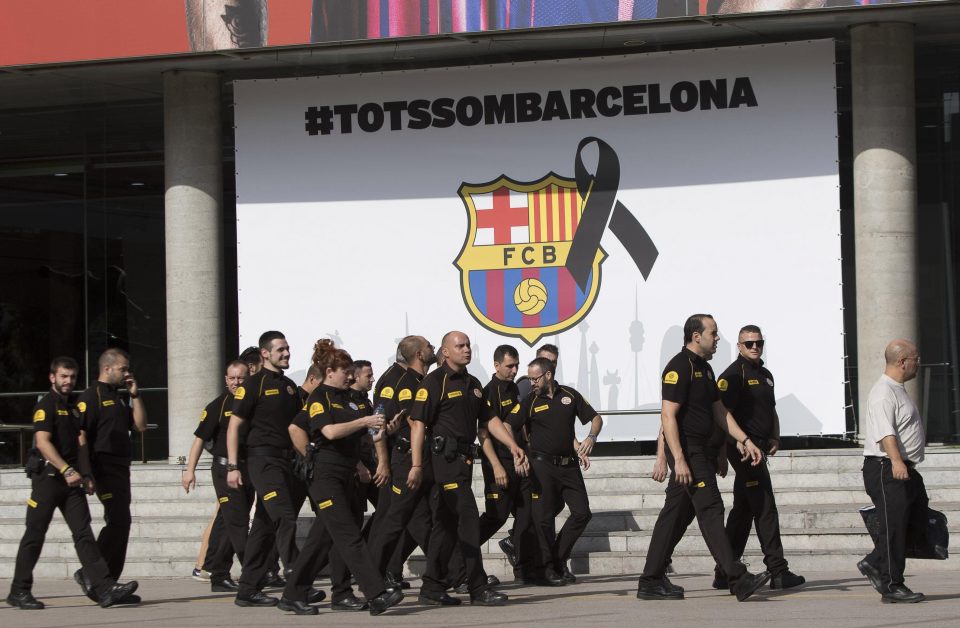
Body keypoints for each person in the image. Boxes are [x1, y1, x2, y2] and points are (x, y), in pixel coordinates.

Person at [636, 314, 769, 602]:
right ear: (697, 336)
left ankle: (651, 579)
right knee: (711, 508)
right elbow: (668, 416)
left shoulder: (705, 370)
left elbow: (720, 412)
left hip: (703, 451)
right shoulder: (678, 367)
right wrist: (678, 459)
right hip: (689, 450)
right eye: (714, 333)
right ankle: (737, 577)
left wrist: (743, 439)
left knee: (676, 516)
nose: (717, 338)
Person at [280, 339, 403, 616]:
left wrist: (385, 432)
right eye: (344, 370)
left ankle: (292, 594)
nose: (349, 375)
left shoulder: (350, 399)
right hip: (325, 475)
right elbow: (329, 433)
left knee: (321, 540)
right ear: (329, 371)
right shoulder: (318, 398)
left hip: (347, 473)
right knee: (349, 536)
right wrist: (307, 456)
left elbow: (369, 436)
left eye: (350, 370)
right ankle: (377, 593)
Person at [6, 357, 139, 610]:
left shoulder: (73, 408)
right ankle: (19, 590)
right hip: (48, 480)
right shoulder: (45, 406)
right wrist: (66, 469)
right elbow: (43, 443)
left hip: (72, 482)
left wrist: (86, 474)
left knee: (84, 534)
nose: (68, 381)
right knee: (34, 535)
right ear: (52, 377)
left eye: (72, 377)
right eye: (63, 376)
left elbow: (80, 442)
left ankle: (104, 588)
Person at [408, 331, 525, 606]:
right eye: (459, 346)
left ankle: (432, 587)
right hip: (444, 463)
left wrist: (511, 445)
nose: (466, 349)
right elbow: (418, 424)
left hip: (464, 461)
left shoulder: (473, 384)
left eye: (468, 345)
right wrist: (415, 465)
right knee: (469, 519)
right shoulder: (434, 381)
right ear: (445, 352)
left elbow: (489, 420)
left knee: (444, 527)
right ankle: (477, 587)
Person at [227, 331, 320, 607]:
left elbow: (296, 427)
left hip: (285, 462)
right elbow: (234, 426)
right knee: (285, 516)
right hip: (262, 461)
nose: (287, 353)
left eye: (288, 348)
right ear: (265, 353)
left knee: (264, 528)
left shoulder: (290, 387)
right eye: (281, 349)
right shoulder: (252, 385)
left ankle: (247, 590)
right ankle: (296, 576)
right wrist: (233, 466)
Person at [712, 325, 804, 590]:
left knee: (743, 511)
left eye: (758, 343)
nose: (754, 347)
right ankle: (777, 570)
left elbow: (771, 410)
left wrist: (775, 436)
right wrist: (729, 448)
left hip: (761, 448)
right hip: (743, 451)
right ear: (739, 346)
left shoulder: (766, 375)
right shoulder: (731, 375)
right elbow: (722, 416)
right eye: (749, 343)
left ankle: (724, 571)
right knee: (764, 507)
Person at [505, 356, 600, 585]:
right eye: (529, 378)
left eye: (534, 378)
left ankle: (557, 558)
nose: (531, 382)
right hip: (541, 466)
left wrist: (591, 438)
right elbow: (508, 424)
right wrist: (516, 450)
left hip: (569, 465)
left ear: (548, 375)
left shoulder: (569, 395)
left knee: (582, 512)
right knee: (544, 519)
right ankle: (547, 568)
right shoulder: (529, 401)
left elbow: (595, 418)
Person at [858, 339, 928, 603]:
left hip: (903, 467)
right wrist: (897, 461)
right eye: (915, 359)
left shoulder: (897, 389)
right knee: (894, 527)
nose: (918, 363)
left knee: (919, 517)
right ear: (902, 362)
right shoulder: (883, 392)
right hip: (886, 467)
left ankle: (875, 562)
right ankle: (892, 586)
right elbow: (886, 433)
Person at [75, 348, 148, 600]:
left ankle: (108, 583)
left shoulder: (118, 397)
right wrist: (86, 472)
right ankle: (92, 574)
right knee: (117, 520)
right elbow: (81, 436)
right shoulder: (90, 396)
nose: (127, 373)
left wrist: (135, 395)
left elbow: (140, 425)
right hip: (102, 467)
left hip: (121, 467)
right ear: (107, 368)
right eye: (123, 369)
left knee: (122, 523)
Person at [182, 360, 261, 592]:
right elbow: (199, 439)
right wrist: (189, 470)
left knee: (227, 522)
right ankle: (253, 572)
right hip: (224, 469)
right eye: (232, 378)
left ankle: (218, 574)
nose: (236, 383)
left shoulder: (254, 403)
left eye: (241, 378)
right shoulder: (218, 405)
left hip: (248, 468)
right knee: (236, 523)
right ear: (226, 379)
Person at [368, 336, 437, 588]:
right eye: (429, 346)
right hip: (404, 460)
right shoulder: (402, 382)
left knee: (409, 520)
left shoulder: (421, 380)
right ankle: (375, 575)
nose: (433, 349)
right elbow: (401, 423)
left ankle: (389, 571)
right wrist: (383, 462)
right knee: (393, 520)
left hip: (417, 459)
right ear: (419, 354)